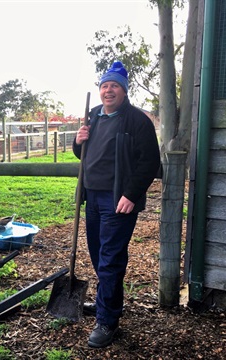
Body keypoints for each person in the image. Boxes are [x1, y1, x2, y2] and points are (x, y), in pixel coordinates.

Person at [72, 61, 160, 348]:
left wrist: (131, 194)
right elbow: (83, 153)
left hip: (117, 200)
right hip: (92, 197)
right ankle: (107, 304)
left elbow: (150, 162)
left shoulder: (137, 121)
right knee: (98, 255)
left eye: (114, 86)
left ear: (124, 91)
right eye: (104, 86)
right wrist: (77, 140)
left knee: (110, 258)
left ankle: (107, 320)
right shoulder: (93, 116)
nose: (109, 90)